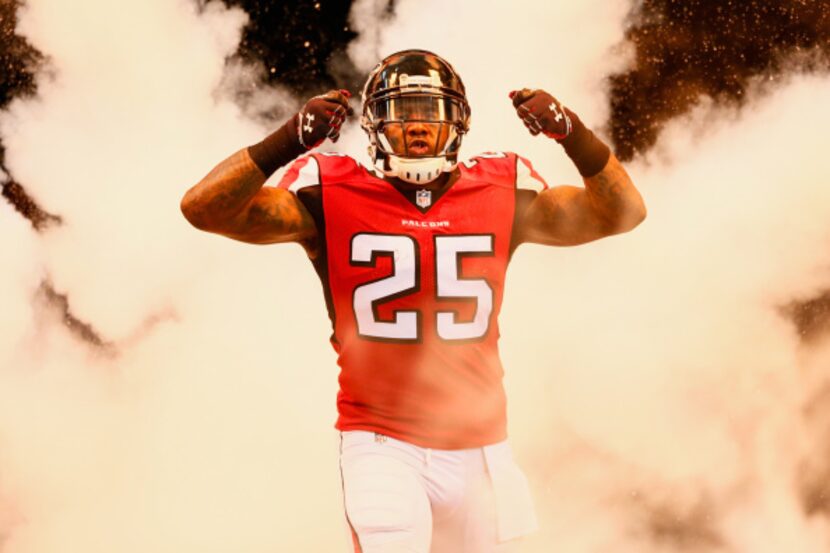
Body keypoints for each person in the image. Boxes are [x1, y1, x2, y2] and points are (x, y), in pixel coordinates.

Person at [180, 49, 646, 553]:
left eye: (432, 111)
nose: (418, 127)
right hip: (382, 444)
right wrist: (285, 141)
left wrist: (571, 132)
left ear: (457, 122)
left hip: (480, 447)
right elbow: (203, 208)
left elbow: (622, 214)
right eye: (402, 112)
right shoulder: (328, 191)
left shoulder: (502, 189)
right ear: (376, 124)